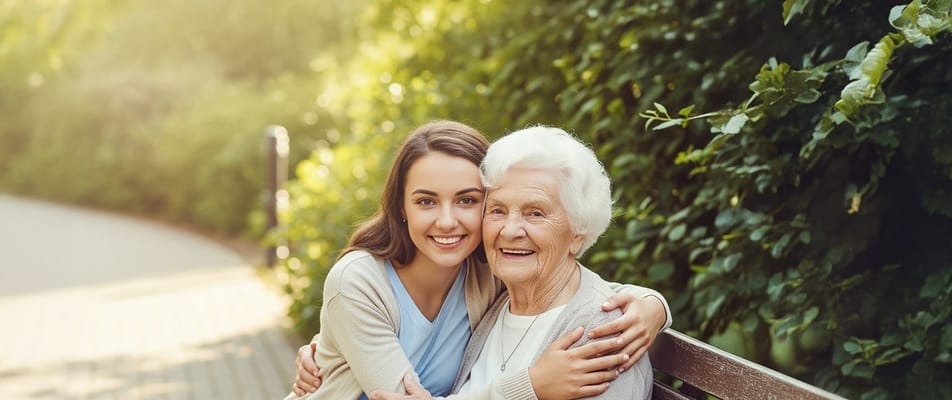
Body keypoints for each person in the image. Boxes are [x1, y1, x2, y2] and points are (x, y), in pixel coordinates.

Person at [285, 121, 670, 400]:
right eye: (425, 201)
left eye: (468, 200)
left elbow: (589, 293)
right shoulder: (362, 280)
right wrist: (531, 386)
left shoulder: (490, 276)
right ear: (399, 207)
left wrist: (653, 306)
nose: (448, 220)